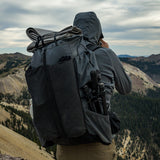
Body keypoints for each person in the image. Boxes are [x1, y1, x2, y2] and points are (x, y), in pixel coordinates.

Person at [56, 11, 132, 160]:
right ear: (98, 33)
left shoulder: (61, 56)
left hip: (64, 147)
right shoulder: (105, 54)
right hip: (98, 145)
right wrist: (108, 51)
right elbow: (126, 88)